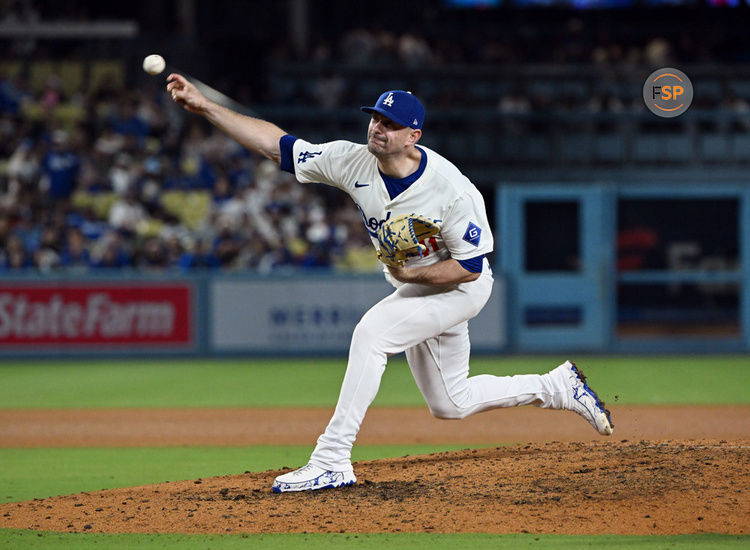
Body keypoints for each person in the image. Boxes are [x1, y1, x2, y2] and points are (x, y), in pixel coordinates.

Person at [166, 75, 614, 493]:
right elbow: (277, 147)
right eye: (376, 118)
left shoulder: (453, 191)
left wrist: (411, 276)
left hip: (460, 290)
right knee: (450, 403)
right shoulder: (351, 160)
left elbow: (471, 268)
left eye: (392, 124)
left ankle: (332, 459)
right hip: (418, 287)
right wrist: (205, 106)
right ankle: (556, 386)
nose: (378, 128)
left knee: (372, 334)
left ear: (413, 136)